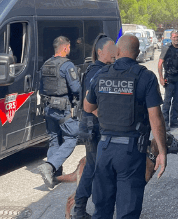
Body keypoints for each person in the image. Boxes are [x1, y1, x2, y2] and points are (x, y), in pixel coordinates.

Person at [83, 34, 167, 219]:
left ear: (118, 51)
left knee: (102, 209)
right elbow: (155, 118)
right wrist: (162, 151)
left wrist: (105, 115)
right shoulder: (146, 77)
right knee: (127, 211)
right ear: (137, 53)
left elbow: (88, 107)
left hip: (104, 150)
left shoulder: (101, 74)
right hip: (130, 152)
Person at [72, 35, 115, 219]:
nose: (115, 53)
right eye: (111, 50)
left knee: (94, 167)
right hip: (94, 127)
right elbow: (89, 102)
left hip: (96, 126)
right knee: (93, 168)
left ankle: (80, 210)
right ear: (100, 52)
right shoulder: (95, 71)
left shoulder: (103, 69)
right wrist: (108, 121)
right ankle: (80, 210)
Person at [38, 36, 82, 189]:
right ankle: (50, 166)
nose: (69, 50)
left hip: (49, 108)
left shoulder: (45, 64)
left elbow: (40, 88)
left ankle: (54, 176)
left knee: (54, 139)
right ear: (65, 48)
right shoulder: (67, 65)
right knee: (71, 137)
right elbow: (76, 89)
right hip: (63, 109)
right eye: (69, 47)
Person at [157, 30, 178, 129]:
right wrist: (161, 78)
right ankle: (165, 123)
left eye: (177, 37)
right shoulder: (167, 48)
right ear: (171, 38)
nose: (176, 39)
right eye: (174, 37)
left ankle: (174, 121)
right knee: (167, 101)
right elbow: (160, 64)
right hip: (169, 78)